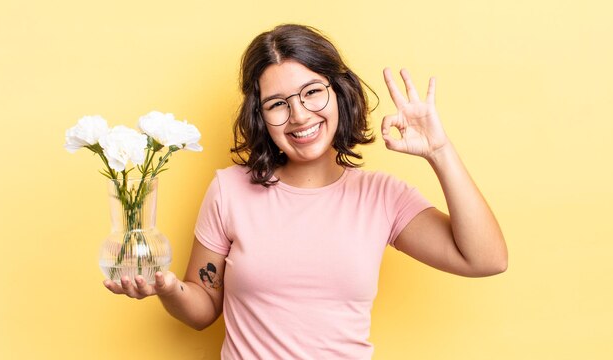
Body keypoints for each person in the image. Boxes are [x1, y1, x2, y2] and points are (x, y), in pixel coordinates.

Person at [104, 24, 508, 359]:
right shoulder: (229, 190)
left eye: (312, 91)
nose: (299, 115)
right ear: (260, 117)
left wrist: (439, 151)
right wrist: (170, 289)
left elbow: (487, 259)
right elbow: (203, 309)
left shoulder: (382, 196)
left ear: (338, 91)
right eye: (277, 103)